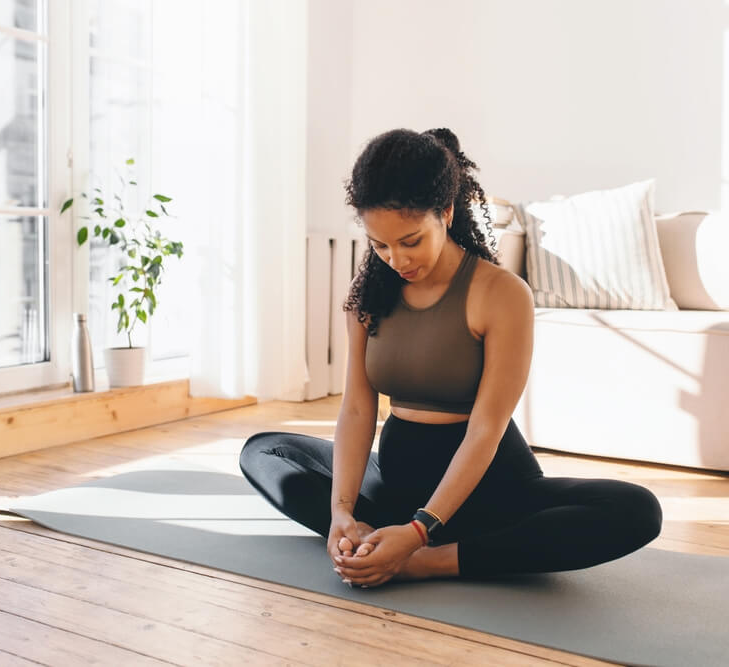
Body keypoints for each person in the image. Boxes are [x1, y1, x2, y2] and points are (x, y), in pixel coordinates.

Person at [239, 127, 662, 589]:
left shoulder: (501, 294)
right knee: (265, 452)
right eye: (380, 245)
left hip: (491, 493)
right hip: (397, 488)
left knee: (636, 509)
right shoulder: (367, 298)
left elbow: (486, 428)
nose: (396, 259)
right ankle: (368, 537)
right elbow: (358, 409)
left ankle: (427, 559)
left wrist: (421, 531)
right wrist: (341, 511)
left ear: (446, 211)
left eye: (411, 240)